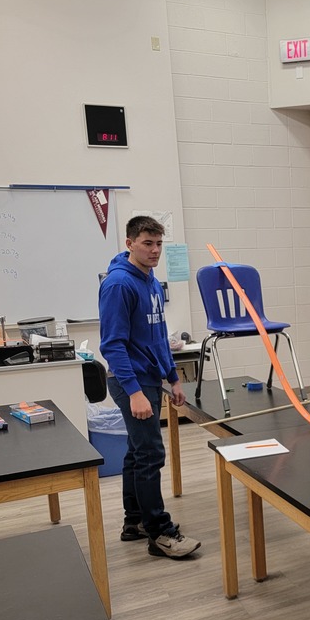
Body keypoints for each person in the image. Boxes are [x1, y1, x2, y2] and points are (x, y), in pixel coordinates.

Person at [99, 215, 201, 559]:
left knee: (136, 452)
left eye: (159, 244)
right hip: (131, 381)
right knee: (151, 454)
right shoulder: (119, 285)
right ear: (130, 243)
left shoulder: (151, 281)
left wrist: (173, 378)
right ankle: (160, 533)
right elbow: (112, 345)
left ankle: (135, 521)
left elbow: (158, 337)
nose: (155, 250)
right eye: (147, 243)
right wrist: (136, 392)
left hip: (149, 378)